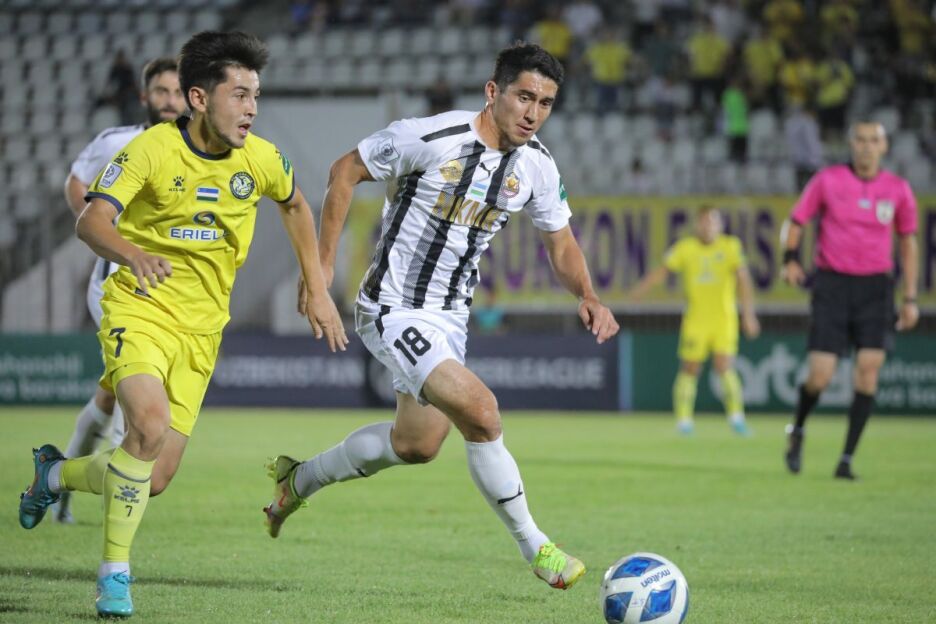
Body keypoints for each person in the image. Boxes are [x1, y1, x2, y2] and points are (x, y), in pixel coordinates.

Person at [262, 43, 619, 591]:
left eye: (546, 103)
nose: (533, 113)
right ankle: (537, 547)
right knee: (482, 412)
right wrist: (321, 270)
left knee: (417, 445)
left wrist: (587, 294)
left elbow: (562, 242)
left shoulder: (537, 166)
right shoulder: (431, 137)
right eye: (525, 97)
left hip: (451, 318)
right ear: (493, 92)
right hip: (393, 306)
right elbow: (344, 171)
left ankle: (298, 480)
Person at [17, 31, 347, 618]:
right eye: (239, 94)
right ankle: (114, 576)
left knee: (153, 476)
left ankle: (55, 474)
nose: (251, 108)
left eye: (255, 95)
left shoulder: (260, 159)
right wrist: (132, 254)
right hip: (139, 307)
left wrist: (317, 285)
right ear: (199, 98)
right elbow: (91, 221)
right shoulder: (150, 150)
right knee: (146, 424)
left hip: (202, 329)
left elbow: (296, 204)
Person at [51, 57, 186, 526]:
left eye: (177, 92)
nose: (169, 101)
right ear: (145, 96)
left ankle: (57, 484)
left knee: (110, 398)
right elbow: (77, 179)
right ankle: (117, 523)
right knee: (136, 405)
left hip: (167, 293)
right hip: (114, 285)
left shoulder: (195, 150)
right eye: (161, 92)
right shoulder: (116, 141)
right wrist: (94, 229)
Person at [781, 121, 919, 480]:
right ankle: (798, 428)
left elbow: (908, 242)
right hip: (833, 284)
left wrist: (910, 297)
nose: (866, 146)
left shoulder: (898, 189)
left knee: (869, 369)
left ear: (884, 147)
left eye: (874, 140)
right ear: (851, 144)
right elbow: (795, 221)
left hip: (876, 288)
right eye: (860, 140)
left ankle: (845, 460)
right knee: (821, 375)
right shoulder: (827, 180)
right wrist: (790, 259)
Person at [630, 206, 760, 435]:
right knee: (690, 368)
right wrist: (640, 290)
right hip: (696, 319)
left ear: (720, 225)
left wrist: (748, 315)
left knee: (724, 366)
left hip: (724, 319)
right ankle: (684, 422)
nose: (707, 226)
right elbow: (662, 271)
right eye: (703, 222)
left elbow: (744, 281)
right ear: (697, 225)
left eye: (712, 221)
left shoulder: (731, 247)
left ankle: (737, 418)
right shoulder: (685, 248)